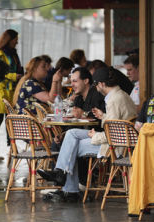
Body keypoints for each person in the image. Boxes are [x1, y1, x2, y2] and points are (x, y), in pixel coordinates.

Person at [38, 67, 137, 202]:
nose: (95, 87)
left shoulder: (114, 100)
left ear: (101, 84)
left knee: (72, 145)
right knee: (71, 134)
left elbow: (113, 134)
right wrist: (104, 116)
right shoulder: (120, 95)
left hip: (116, 146)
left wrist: (95, 136)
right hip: (122, 141)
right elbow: (117, 123)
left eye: (96, 84)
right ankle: (61, 174)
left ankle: (68, 186)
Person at [0, 29, 23, 154]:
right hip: (1, 89)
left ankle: (12, 146)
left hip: (12, 90)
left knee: (10, 119)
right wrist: (13, 76)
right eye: (15, 40)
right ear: (8, 40)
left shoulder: (13, 53)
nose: (17, 43)